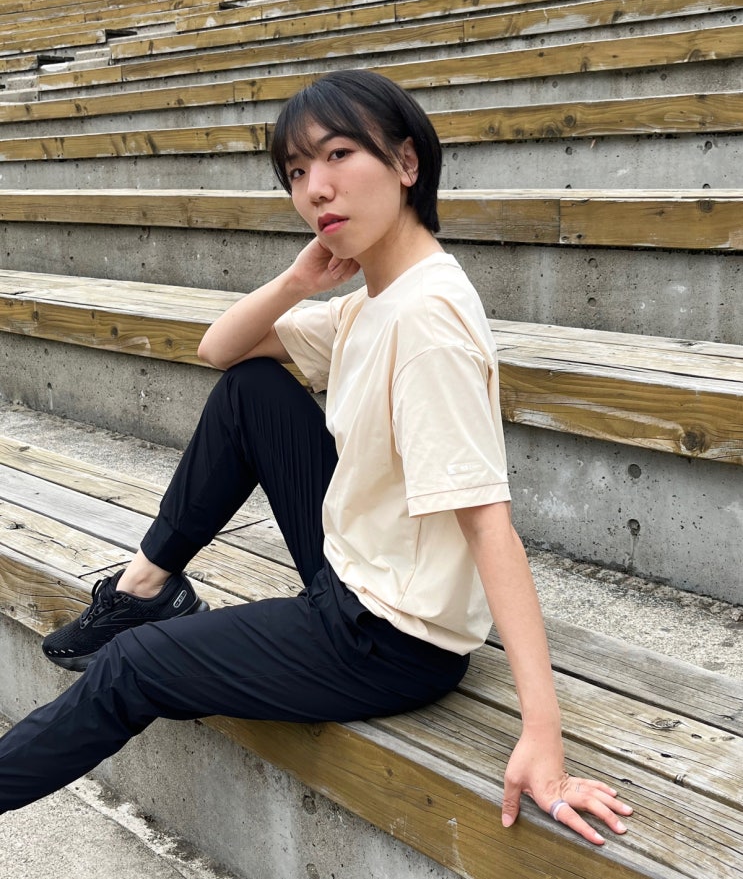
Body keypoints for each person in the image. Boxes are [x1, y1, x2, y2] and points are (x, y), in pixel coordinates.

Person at [0, 69, 632, 845]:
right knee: (252, 390)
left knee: (131, 665)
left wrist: (542, 732)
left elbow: (487, 523)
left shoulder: (426, 324)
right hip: (354, 568)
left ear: (407, 162)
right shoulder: (377, 299)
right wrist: (301, 277)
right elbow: (220, 349)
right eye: (297, 172)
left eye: (337, 155)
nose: (315, 189)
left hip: (387, 641)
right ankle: (148, 586)